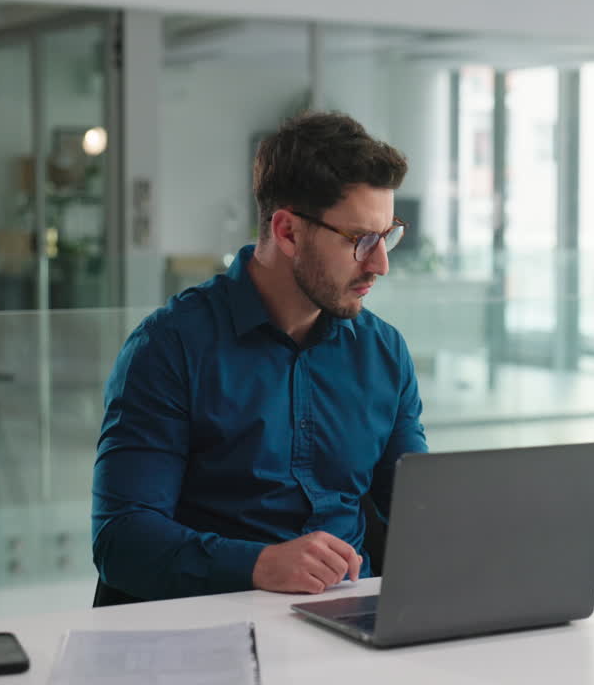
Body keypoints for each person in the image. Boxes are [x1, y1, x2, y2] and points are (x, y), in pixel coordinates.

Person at [91, 111, 427, 601]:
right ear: (288, 232)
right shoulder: (169, 348)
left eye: (388, 234)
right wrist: (261, 563)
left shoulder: (383, 352)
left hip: (347, 626)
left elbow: (422, 513)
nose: (381, 263)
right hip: (210, 629)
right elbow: (122, 540)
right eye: (361, 241)